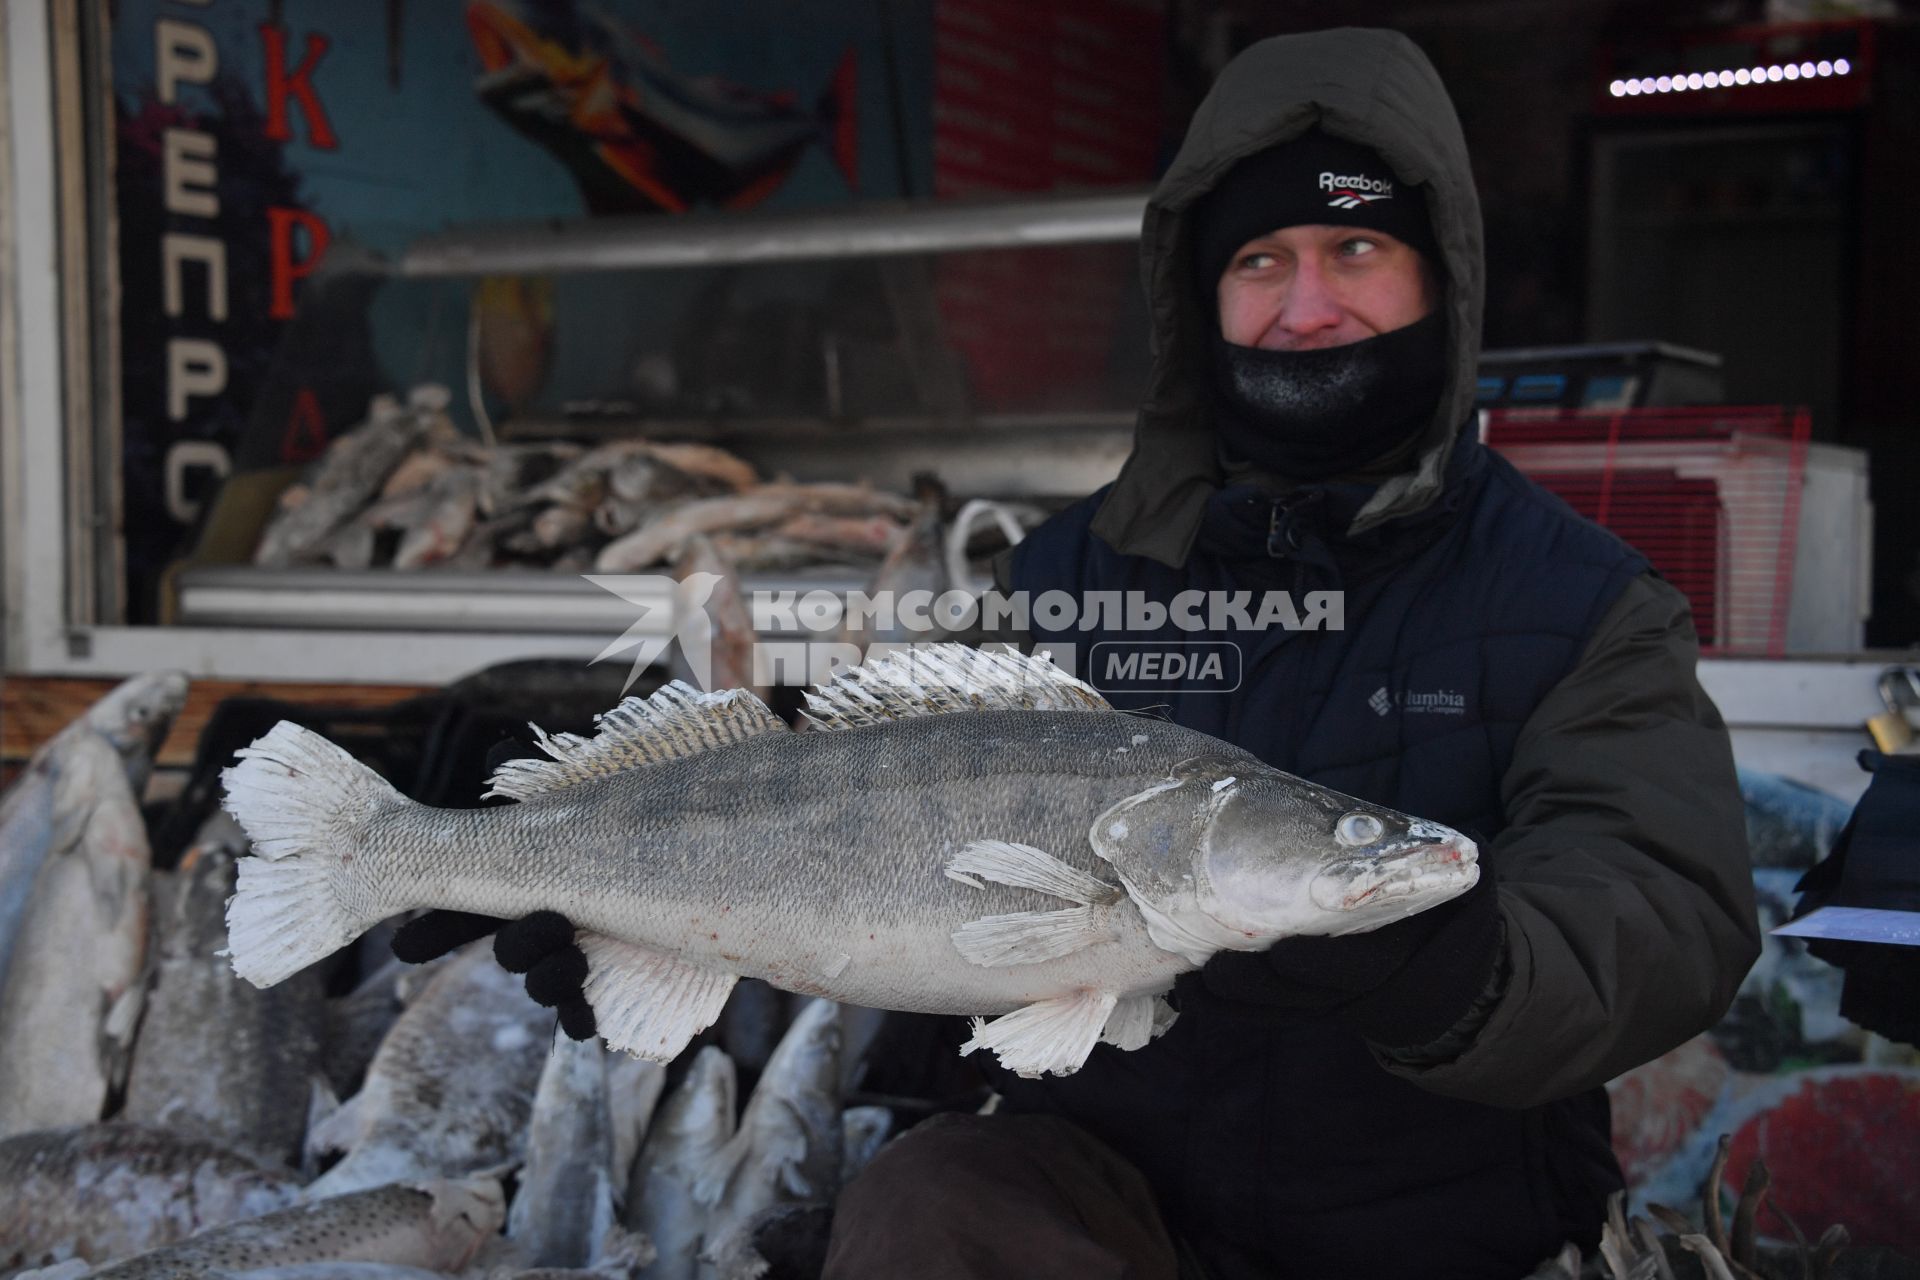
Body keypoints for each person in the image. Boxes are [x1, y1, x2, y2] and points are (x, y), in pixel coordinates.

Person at [393, 27, 1761, 1279]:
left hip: (1448, 1213)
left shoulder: (1583, 600)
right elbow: (874, 808)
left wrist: (1459, 969)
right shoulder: (1057, 580)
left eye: (1356, 251)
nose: (1307, 305)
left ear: (1439, 278)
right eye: (1258, 261)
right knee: (926, 1199)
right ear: (1199, 296)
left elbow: (1670, 907)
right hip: (1109, 1198)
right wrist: (650, 909)